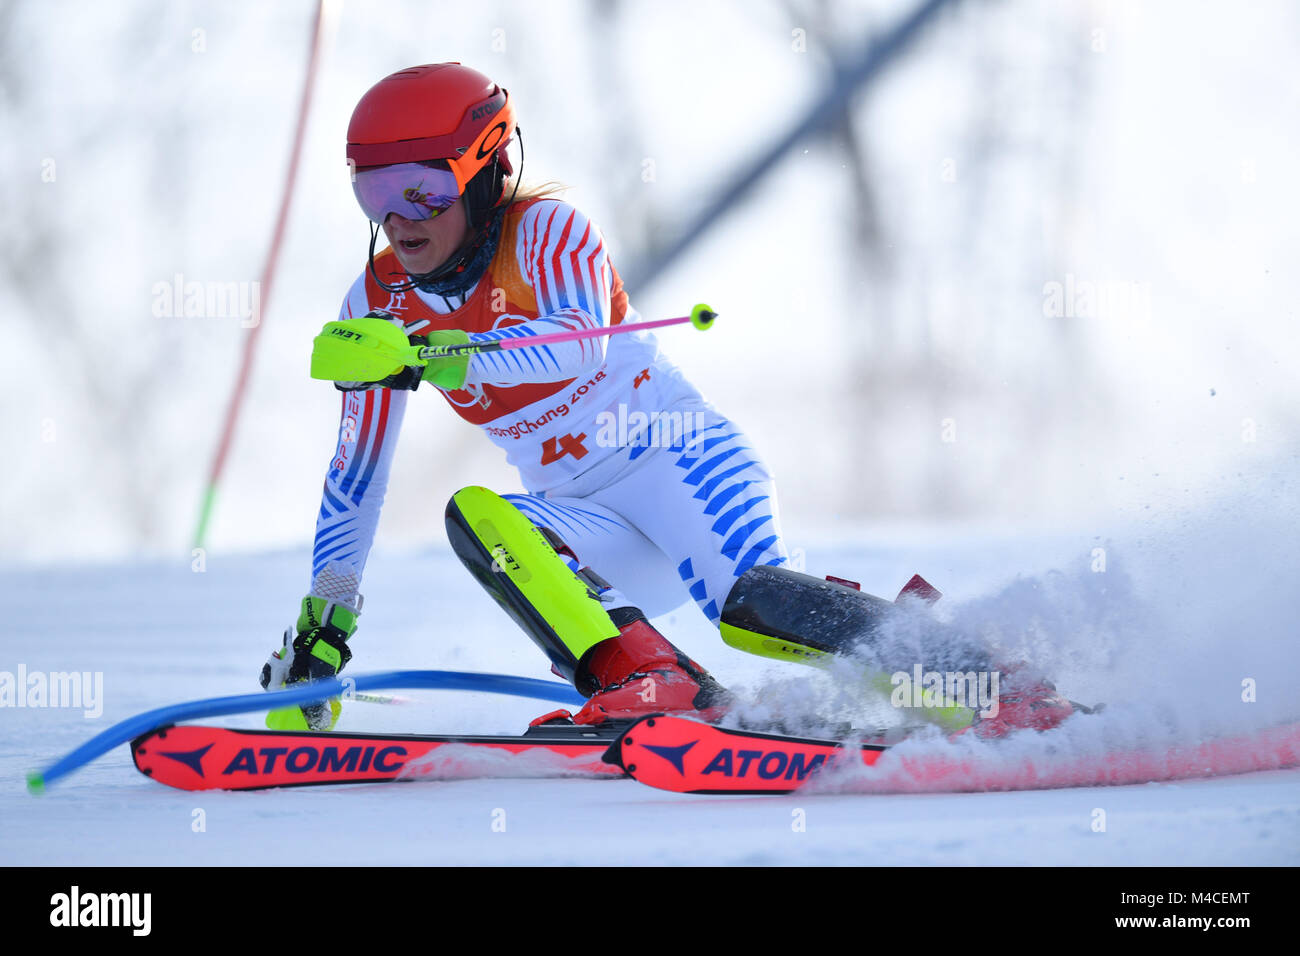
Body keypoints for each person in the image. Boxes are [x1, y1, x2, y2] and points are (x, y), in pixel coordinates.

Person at [258, 62, 1073, 738]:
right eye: (375, 193)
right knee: (477, 517)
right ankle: (651, 681)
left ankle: (989, 686)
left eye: (424, 190)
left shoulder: (548, 232)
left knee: (749, 608)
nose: (400, 220)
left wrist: (448, 355)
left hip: (679, 462)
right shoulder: (376, 305)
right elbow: (355, 476)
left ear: (487, 171)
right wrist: (324, 626)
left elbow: (576, 343)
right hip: (588, 518)